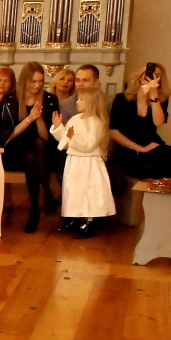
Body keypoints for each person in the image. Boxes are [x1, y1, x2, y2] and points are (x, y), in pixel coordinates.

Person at [0, 61, 56, 232]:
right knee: (33, 152)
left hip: (39, 156)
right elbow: (6, 136)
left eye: (40, 81)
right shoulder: (10, 100)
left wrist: (38, 118)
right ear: (25, 80)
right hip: (13, 153)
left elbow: (47, 137)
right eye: (33, 81)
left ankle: (34, 211)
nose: (37, 85)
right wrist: (29, 118)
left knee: (36, 148)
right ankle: (47, 193)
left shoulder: (49, 99)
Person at [51, 88, 114, 238]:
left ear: (91, 102)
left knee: (88, 192)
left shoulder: (96, 123)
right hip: (74, 162)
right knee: (74, 191)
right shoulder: (75, 119)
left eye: (81, 99)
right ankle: (74, 218)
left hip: (88, 164)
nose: (77, 102)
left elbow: (88, 145)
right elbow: (66, 141)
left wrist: (72, 138)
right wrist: (59, 127)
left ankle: (89, 221)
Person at [110, 64, 171, 180]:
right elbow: (113, 131)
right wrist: (140, 149)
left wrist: (153, 95)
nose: (153, 78)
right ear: (140, 76)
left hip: (150, 144)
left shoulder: (160, 100)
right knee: (147, 168)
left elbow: (158, 122)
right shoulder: (122, 99)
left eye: (157, 76)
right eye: (150, 74)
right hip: (128, 147)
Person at [46, 68, 78, 191]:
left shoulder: (76, 102)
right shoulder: (47, 99)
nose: (65, 82)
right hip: (50, 137)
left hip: (68, 139)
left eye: (70, 80)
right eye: (62, 79)